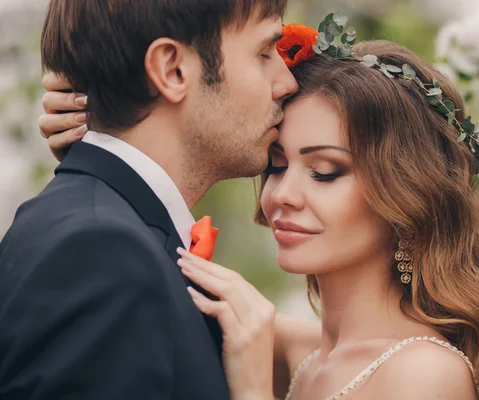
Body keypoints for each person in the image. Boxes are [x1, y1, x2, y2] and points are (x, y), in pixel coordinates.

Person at [38, 18, 479, 400]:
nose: (280, 196)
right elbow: (144, 288)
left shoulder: (424, 375)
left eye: (325, 172)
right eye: (277, 167)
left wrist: (255, 391)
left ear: (406, 198)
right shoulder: (287, 346)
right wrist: (106, 138)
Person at [0, 0, 297, 399]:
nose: (287, 82)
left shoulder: (108, 235)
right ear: (172, 69)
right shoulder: (103, 254)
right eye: (263, 53)